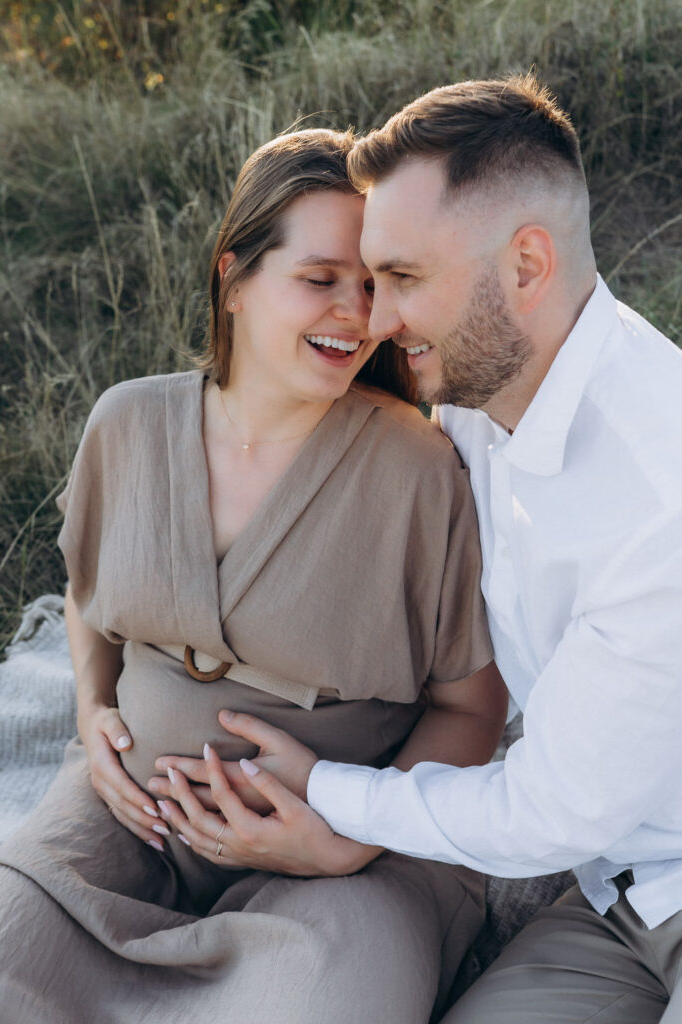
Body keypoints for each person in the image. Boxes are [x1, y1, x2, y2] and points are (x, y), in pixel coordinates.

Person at [196, 76, 682, 1022]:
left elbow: (550, 807)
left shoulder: (657, 494)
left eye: (404, 281)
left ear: (527, 267)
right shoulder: (474, 405)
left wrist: (335, 805)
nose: (375, 322)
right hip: (617, 895)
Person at [0, 127, 508, 1023]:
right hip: (132, 818)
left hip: (341, 861)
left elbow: (473, 711)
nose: (356, 314)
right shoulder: (127, 423)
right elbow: (87, 596)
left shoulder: (417, 472)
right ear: (233, 277)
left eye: (373, 285)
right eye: (321, 279)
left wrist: (344, 843)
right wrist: (92, 712)